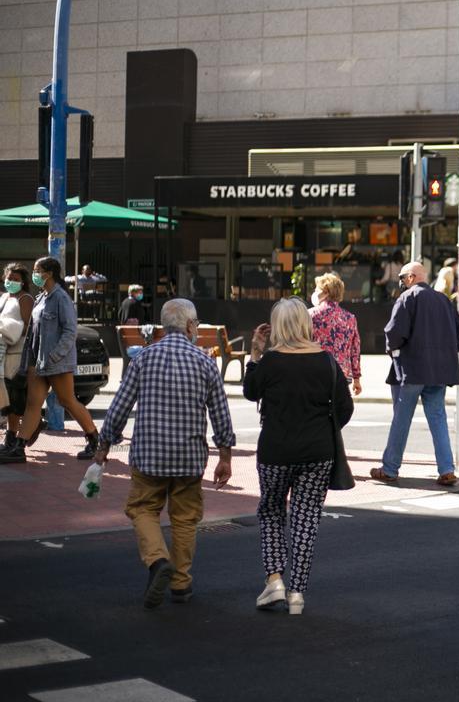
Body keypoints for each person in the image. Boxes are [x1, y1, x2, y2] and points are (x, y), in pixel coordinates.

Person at [91, 298, 234, 608]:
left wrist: (104, 445)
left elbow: (119, 408)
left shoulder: (143, 359)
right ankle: (181, 584)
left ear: (162, 326)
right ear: (191, 326)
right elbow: (221, 414)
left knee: (142, 508)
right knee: (184, 519)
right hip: (189, 459)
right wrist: (225, 455)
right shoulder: (205, 361)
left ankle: (157, 561)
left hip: (149, 457)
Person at [245, 298, 354, 616]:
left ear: (276, 326)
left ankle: (274, 579)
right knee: (306, 519)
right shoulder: (327, 361)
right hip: (317, 453)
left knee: (270, 512)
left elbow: (251, 391)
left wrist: (255, 352)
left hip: (275, 452)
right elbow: (345, 410)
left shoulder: (270, 361)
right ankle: (297, 594)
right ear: (306, 325)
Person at [0, 257, 102, 463]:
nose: (35, 274)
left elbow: (70, 331)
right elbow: (33, 332)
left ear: (49, 273)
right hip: (38, 362)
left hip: (57, 363)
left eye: (38, 271)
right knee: (33, 404)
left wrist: (54, 356)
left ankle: (94, 441)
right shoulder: (41, 298)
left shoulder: (61, 298)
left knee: (68, 401)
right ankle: (19, 448)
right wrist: (30, 361)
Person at [371, 262, 459, 487]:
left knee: (401, 419)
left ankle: (390, 468)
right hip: (439, 371)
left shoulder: (407, 298)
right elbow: (458, 336)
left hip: (412, 369)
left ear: (411, 277)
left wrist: (393, 351)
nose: (400, 282)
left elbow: (393, 332)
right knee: (438, 418)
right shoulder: (444, 301)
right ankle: (447, 469)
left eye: (402, 278)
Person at [309, 272, 362, 397]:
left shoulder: (310, 315)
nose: (315, 292)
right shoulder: (350, 318)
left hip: (316, 372)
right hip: (343, 374)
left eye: (317, 289)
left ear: (325, 291)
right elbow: (355, 350)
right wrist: (356, 378)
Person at [0, 264, 34, 449]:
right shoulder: (4, 297)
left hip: (17, 354)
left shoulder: (25, 298)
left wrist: (9, 331)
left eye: (15, 279)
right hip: (3, 353)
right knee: (5, 398)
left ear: (23, 282)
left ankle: (12, 436)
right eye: (8, 278)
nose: (11, 282)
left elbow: (30, 327)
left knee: (14, 398)